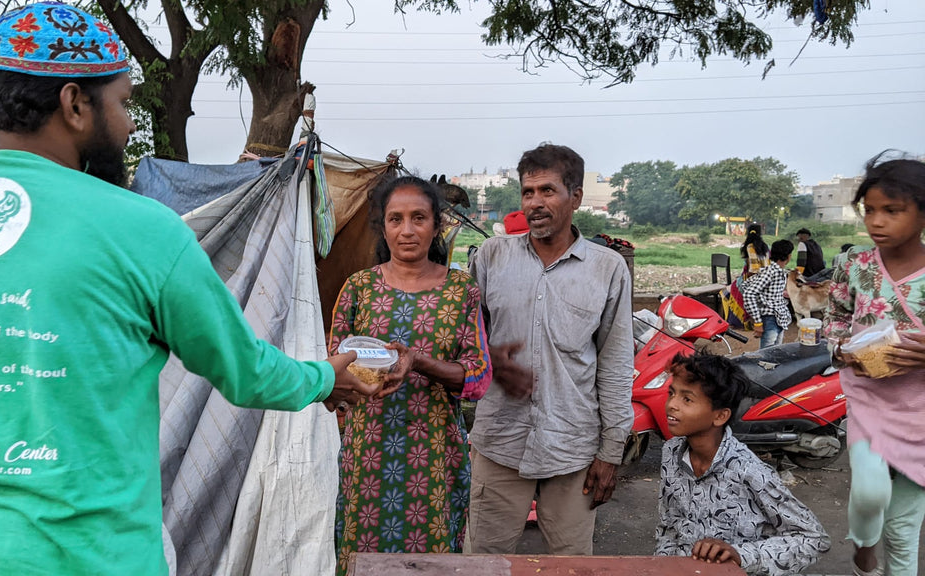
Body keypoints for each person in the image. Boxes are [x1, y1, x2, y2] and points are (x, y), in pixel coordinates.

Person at [0, 4, 375, 574]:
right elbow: (244, 369)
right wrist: (323, 377)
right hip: (89, 558)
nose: (128, 125)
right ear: (75, 104)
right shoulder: (141, 229)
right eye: (123, 102)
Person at [464, 144, 634, 555]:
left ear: (575, 196)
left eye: (547, 191)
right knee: (482, 563)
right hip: (499, 441)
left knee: (571, 565)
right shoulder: (491, 257)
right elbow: (466, 340)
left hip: (573, 447)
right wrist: (492, 365)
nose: (535, 203)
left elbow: (614, 363)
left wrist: (611, 452)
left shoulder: (607, 267)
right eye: (528, 192)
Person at [330, 176, 492, 574]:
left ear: (437, 225)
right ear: (383, 227)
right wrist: (351, 387)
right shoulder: (358, 289)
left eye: (418, 218)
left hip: (435, 457)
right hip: (368, 454)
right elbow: (331, 369)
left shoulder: (462, 290)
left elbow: (478, 378)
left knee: (430, 563)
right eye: (395, 219)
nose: (406, 230)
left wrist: (419, 362)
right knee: (363, 562)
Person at [824, 153, 925, 576]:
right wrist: (843, 350)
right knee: (869, 494)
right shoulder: (854, 265)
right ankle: (864, 548)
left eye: (892, 211)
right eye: (870, 211)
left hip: (920, 409)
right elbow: (834, 319)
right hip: (867, 398)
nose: (876, 222)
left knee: (904, 526)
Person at [655, 352, 830, 576]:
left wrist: (740, 555)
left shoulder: (748, 470)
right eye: (672, 393)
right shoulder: (671, 453)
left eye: (687, 399)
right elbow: (669, 527)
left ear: (720, 416)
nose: (672, 405)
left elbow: (814, 539)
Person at [741, 239, 794, 348]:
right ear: (788, 256)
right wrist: (758, 322)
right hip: (770, 318)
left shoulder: (775, 270)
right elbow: (749, 293)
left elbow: (746, 284)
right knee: (767, 354)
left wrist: (777, 294)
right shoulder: (771, 271)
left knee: (776, 351)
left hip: (779, 318)